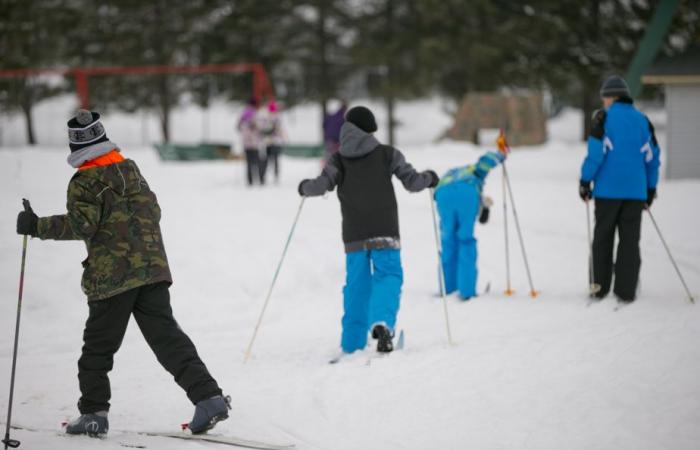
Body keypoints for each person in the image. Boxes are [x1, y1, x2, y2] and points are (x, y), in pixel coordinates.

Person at [15, 110, 230, 437]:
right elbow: (154, 210)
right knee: (168, 339)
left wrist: (37, 226)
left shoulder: (85, 181)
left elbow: (81, 225)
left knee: (97, 349)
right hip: (152, 270)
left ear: (76, 148)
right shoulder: (131, 170)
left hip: (112, 279)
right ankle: (209, 398)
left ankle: (93, 413)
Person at [298, 105, 439, 354]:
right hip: (385, 230)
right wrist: (429, 177)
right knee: (389, 275)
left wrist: (305, 187)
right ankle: (382, 322)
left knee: (357, 286)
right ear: (370, 129)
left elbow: (321, 186)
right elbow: (413, 182)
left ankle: (352, 343)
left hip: (354, 235)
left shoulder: (338, 159)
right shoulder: (387, 154)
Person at [579, 75, 661, 304]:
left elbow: (595, 155)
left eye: (604, 97)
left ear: (612, 97)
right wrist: (651, 188)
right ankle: (626, 290)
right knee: (629, 240)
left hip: (607, 192)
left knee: (603, 237)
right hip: (635, 193)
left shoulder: (602, 119)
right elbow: (653, 159)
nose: (603, 102)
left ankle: (599, 286)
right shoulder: (642, 121)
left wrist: (585, 182)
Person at [434, 150, 506, 300]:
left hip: (442, 195)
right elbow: (486, 161)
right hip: (466, 194)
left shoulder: (452, 173)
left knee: (448, 242)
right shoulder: (475, 171)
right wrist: (501, 154)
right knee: (466, 240)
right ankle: (466, 291)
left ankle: (447, 288)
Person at [238, 97, 265, 185]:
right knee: (258, 162)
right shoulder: (256, 114)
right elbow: (261, 128)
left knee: (249, 163)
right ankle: (260, 180)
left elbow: (239, 127)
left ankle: (250, 181)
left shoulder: (244, 114)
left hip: (247, 143)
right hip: (255, 144)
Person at [259, 100, 285, 183]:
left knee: (269, 160)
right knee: (273, 160)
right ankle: (273, 176)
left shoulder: (268, 117)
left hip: (270, 142)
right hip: (273, 142)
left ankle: (265, 177)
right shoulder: (276, 117)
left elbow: (263, 130)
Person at [322, 100, 347, 164]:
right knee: (336, 155)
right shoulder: (342, 119)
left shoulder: (330, 116)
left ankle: (325, 167)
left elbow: (324, 125)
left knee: (328, 155)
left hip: (328, 139)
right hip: (336, 140)